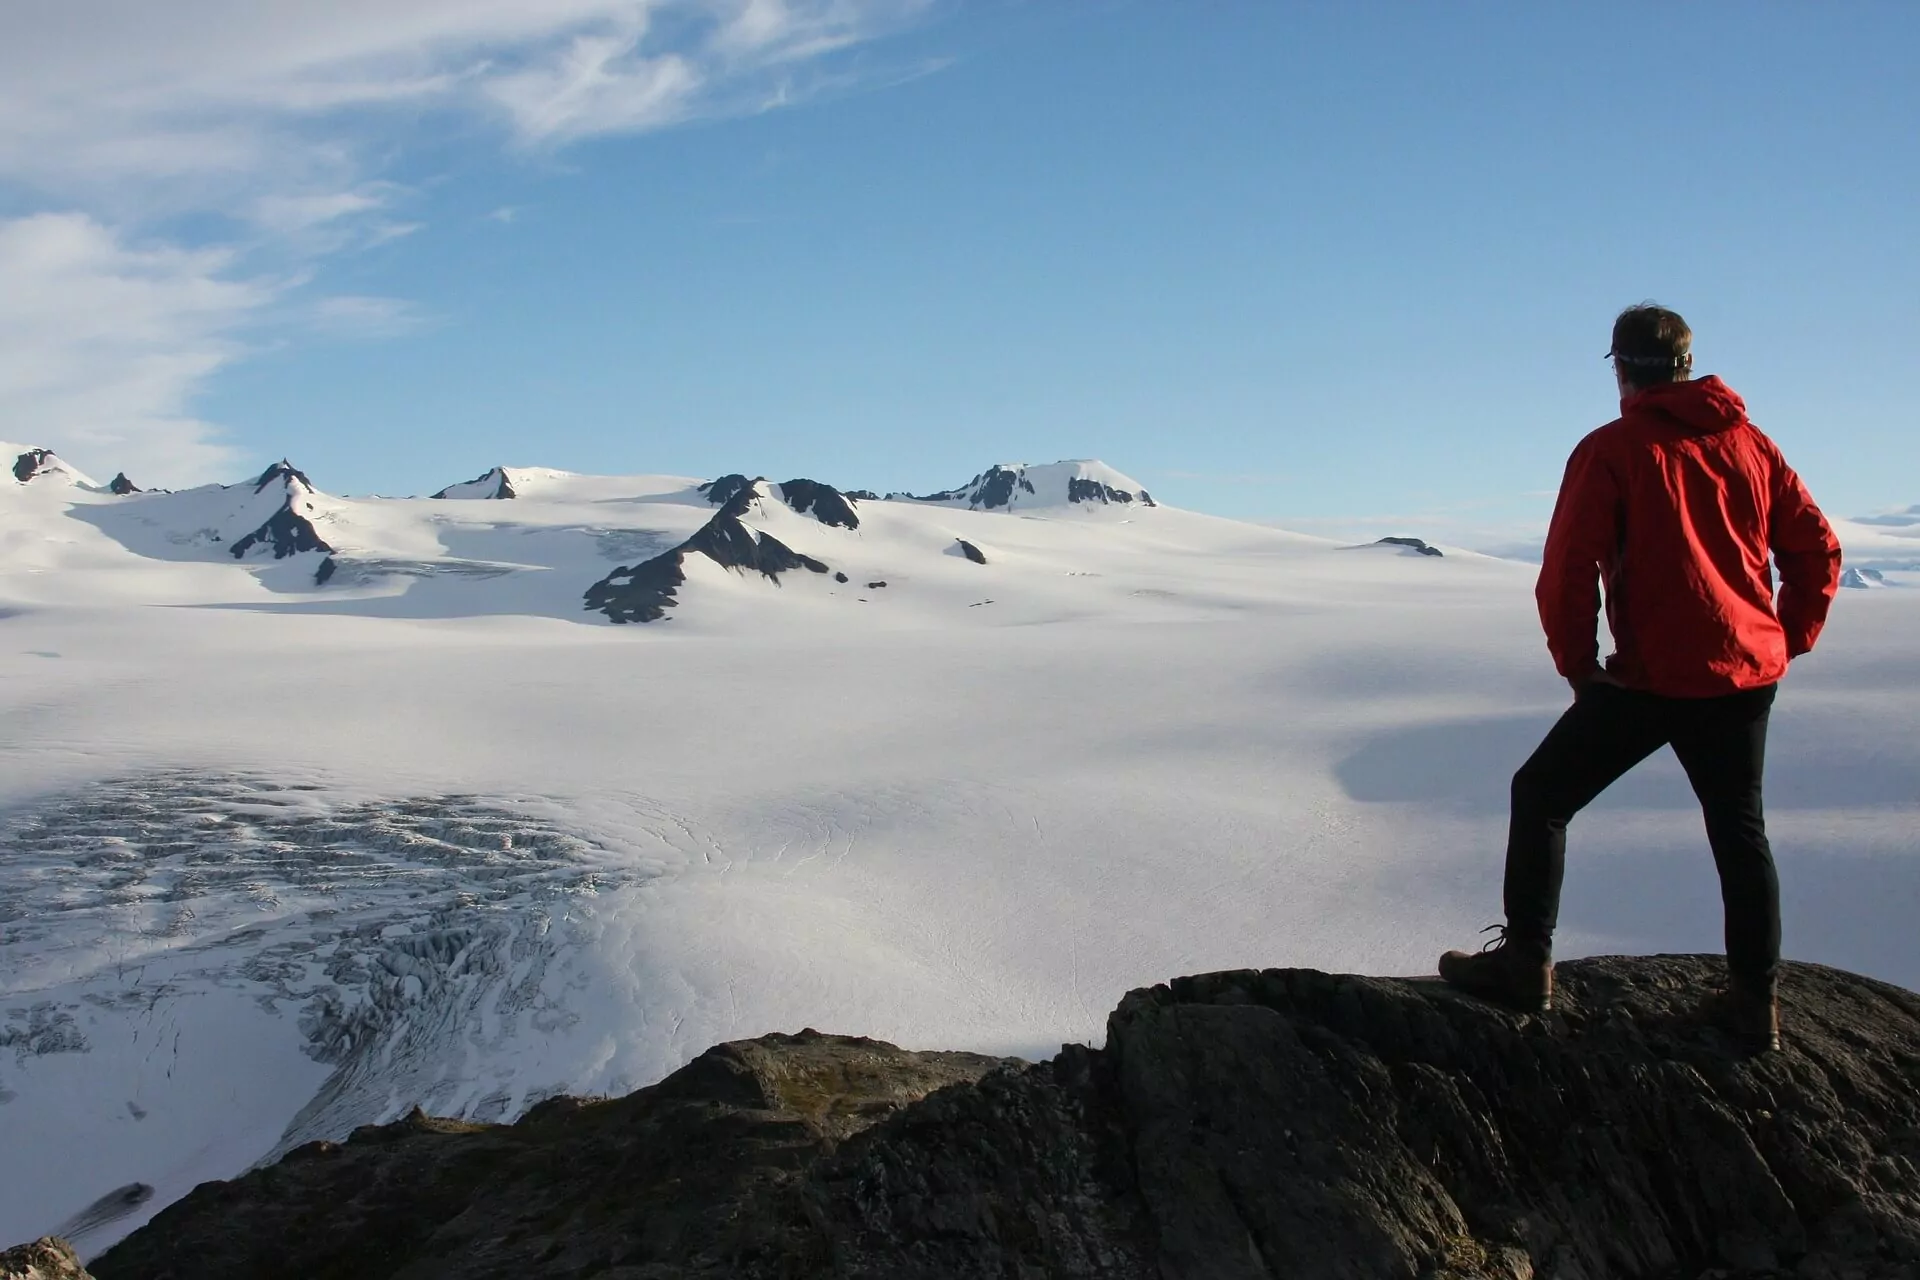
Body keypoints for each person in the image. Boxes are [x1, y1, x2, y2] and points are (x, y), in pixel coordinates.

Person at [1438, 303, 1843, 1052]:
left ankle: (1528, 962)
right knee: (1739, 830)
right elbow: (1818, 549)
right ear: (1687, 364)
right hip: (1746, 677)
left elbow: (1566, 574)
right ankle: (1755, 1007)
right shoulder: (1751, 445)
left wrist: (1582, 671)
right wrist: (1785, 638)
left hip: (1656, 678)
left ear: (1621, 369)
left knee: (1542, 794)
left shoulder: (1613, 450)